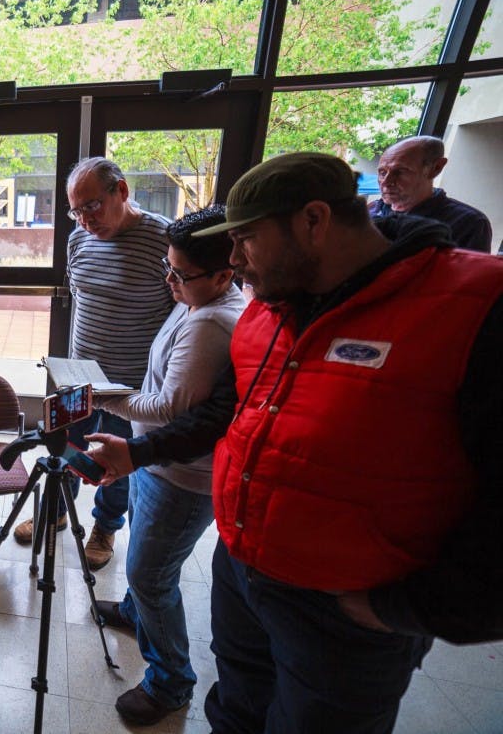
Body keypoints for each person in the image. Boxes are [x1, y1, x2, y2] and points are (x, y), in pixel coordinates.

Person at [86, 152, 503, 733]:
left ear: (313, 221)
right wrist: (139, 453)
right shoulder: (264, 313)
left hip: (348, 610)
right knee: (234, 709)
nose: (232, 261)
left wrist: (404, 608)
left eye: (247, 240)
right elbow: (223, 416)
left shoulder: (478, 304)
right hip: (243, 570)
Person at [91, 206, 246, 725]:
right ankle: (137, 614)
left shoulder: (212, 323)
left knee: (151, 573)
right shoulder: (197, 299)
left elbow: (168, 409)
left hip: (181, 476)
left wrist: (105, 399)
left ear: (225, 274)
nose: (170, 280)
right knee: (147, 557)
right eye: (169, 266)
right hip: (156, 464)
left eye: (181, 273)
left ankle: (170, 681)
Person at [13, 157, 175, 571]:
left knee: (115, 458)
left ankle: (105, 526)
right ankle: (58, 510)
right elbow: (82, 296)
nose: (85, 219)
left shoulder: (164, 240)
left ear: (121, 191)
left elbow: (180, 311)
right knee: (65, 446)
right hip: (77, 377)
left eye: (92, 206)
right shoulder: (78, 240)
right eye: (76, 210)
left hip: (131, 386)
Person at [369, 135, 492, 252]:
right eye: (382, 172)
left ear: (436, 168)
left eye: (401, 171)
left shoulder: (468, 223)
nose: (386, 182)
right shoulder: (370, 211)